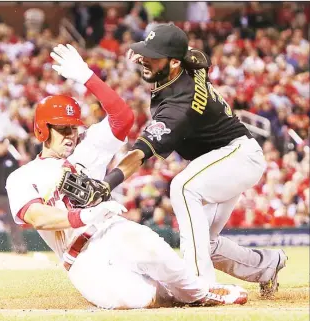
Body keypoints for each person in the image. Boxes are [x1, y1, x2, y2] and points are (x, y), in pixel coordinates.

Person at [6, 44, 247, 309]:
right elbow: (38, 217)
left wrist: (87, 76)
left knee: (146, 243)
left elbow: (122, 118)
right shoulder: (21, 177)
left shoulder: (87, 147)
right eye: (63, 129)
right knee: (139, 300)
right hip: (82, 259)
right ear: (42, 130)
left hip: (112, 231)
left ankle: (199, 291)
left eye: (73, 128)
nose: (71, 135)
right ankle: (176, 294)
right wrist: (83, 216)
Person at [79, 23, 287, 299]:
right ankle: (266, 265)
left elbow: (140, 153)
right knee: (204, 242)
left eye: (153, 56)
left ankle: (200, 283)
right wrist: (145, 53)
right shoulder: (190, 64)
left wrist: (108, 184)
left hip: (237, 155)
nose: (144, 59)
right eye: (145, 52)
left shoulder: (178, 106)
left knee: (183, 186)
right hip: (224, 160)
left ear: (174, 62)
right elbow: (199, 57)